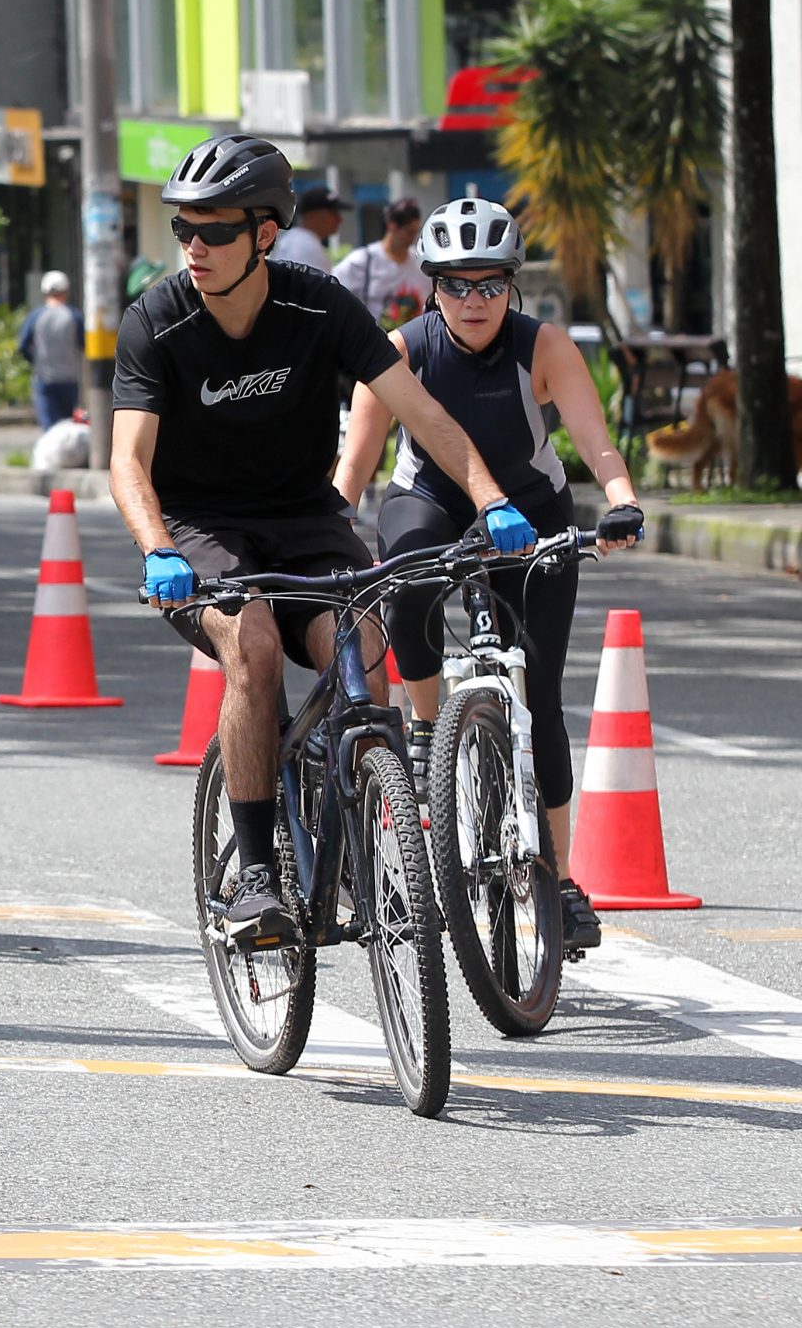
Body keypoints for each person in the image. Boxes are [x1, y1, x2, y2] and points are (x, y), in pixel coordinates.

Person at [111, 136, 533, 947]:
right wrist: (158, 546)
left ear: (265, 233)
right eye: (183, 230)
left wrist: (491, 497)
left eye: (216, 230)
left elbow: (423, 413)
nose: (194, 247)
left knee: (362, 644)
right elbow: (128, 461)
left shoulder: (320, 304)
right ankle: (260, 877)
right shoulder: (157, 320)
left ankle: (353, 812)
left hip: (307, 519)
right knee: (256, 643)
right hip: (199, 529)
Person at [333, 197, 645, 954]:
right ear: (429, 286)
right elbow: (356, 466)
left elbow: (596, 443)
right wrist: (325, 535)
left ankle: (564, 879)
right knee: (405, 580)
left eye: (490, 285)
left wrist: (622, 502)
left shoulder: (546, 347)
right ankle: (429, 730)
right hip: (430, 500)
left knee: (541, 696)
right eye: (456, 285)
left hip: (533, 511)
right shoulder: (400, 350)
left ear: (514, 284)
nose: (474, 302)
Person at [334, 195, 431, 329]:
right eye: (409, 232)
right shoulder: (363, 261)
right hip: (374, 341)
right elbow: (334, 296)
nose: (413, 238)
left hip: (412, 343)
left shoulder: (421, 262)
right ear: (392, 226)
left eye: (416, 232)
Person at [17, 270, 83, 432]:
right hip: (69, 378)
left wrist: (35, 361)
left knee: (49, 426)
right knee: (67, 426)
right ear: (66, 291)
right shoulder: (74, 316)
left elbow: (23, 345)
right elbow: (84, 343)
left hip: (44, 378)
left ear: (45, 292)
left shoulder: (36, 316)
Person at [270, 183, 344, 271]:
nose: (339, 219)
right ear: (312, 215)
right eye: (333, 213)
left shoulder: (297, 238)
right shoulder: (305, 245)